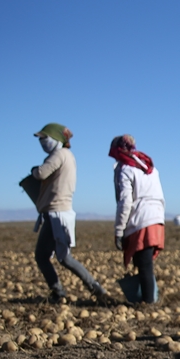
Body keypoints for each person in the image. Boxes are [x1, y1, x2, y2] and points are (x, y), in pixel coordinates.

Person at [28, 123, 109, 304]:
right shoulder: (67, 156)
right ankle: (74, 291)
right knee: (56, 257)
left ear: (57, 139)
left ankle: (86, 290)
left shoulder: (59, 155)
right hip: (58, 212)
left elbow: (41, 173)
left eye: (45, 138)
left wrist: (33, 171)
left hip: (56, 212)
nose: (42, 142)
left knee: (54, 257)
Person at [110, 135, 166, 305]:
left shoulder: (126, 169)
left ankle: (149, 302)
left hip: (142, 219)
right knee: (144, 261)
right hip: (156, 216)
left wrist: (119, 230)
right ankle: (148, 298)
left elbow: (125, 202)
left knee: (144, 263)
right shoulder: (149, 167)